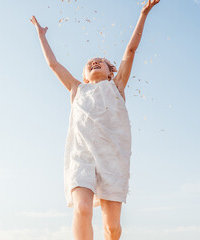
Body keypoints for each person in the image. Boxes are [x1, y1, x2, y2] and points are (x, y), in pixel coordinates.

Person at [30, 1, 160, 239]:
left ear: (111, 72)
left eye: (99, 61)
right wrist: (41, 36)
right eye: (89, 63)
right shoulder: (77, 89)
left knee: (112, 228)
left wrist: (143, 13)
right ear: (84, 77)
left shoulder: (117, 86)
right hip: (82, 159)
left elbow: (130, 51)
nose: (94, 62)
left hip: (112, 162)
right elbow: (53, 64)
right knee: (81, 208)